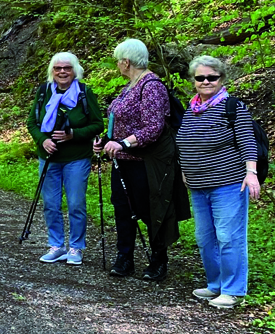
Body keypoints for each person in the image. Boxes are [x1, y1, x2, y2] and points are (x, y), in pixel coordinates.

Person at [93, 38, 188, 281]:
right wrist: (105, 140)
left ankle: (158, 261)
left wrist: (123, 143)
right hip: (121, 161)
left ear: (126, 62)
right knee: (123, 209)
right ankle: (124, 258)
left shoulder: (151, 86)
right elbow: (121, 124)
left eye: (118, 60)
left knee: (149, 210)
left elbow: (154, 127)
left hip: (145, 162)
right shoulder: (129, 87)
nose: (117, 64)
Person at [176, 55, 259, 308]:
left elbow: (247, 141)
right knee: (205, 238)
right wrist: (184, 170)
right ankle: (216, 285)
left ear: (221, 79)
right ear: (193, 80)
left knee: (228, 237)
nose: (205, 81)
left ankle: (233, 290)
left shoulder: (231, 106)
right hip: (198, 186)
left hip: (228, 184)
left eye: (211, 77)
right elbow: (184, 143)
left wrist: (251, 173)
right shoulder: (191, 108)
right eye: (200, 78)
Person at [26, 52, 104, 266]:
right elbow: (32, 123)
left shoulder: (85, 93)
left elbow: (98, 125)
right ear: (52, 71)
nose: (62, 72)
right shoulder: (44, 92)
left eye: (67, 68)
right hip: (49, 157)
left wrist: (73, 135)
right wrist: (43, 140)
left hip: (76, 158)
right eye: (58, 68)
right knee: (50, 203)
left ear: (74, 70)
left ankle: (76, 247)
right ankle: (56, 245)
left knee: (76, 204)